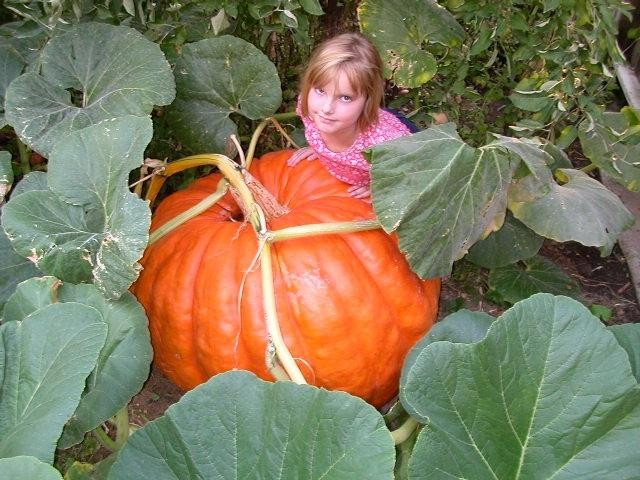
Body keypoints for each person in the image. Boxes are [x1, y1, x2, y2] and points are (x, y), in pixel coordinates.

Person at [287, 32, 416, 199]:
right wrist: (320, 148)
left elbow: (416, 169)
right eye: (320, 91)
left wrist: (384, 185)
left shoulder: (385, 144)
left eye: (345, 98)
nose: (326, 108)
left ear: (368, 100)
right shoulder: (311, 110)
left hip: (400, 137)